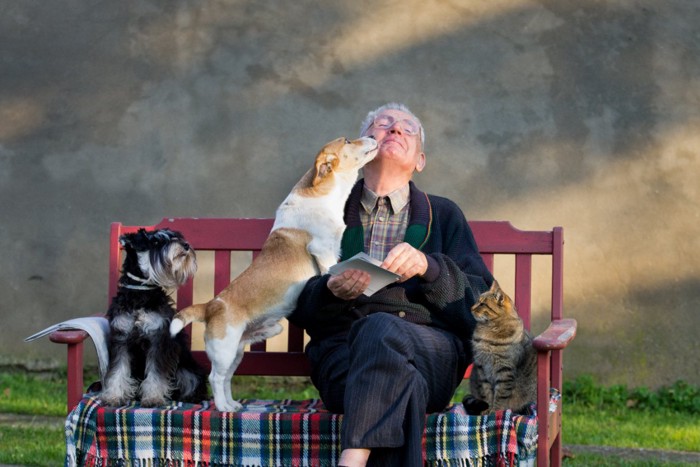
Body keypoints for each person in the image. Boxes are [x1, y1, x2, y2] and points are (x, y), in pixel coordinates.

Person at [288, 103, 494, 467]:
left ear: (420, 160)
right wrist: (329, 292)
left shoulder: (444, 215)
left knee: (383, 331)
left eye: (407, 129)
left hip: (431, 352)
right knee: (403, 384)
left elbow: (483, 309)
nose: (395, 130)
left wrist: (430, 268)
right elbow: (294, 305)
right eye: (382, 125)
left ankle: (351, 461)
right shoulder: (321, 214)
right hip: (344, 357)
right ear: (363, 148)